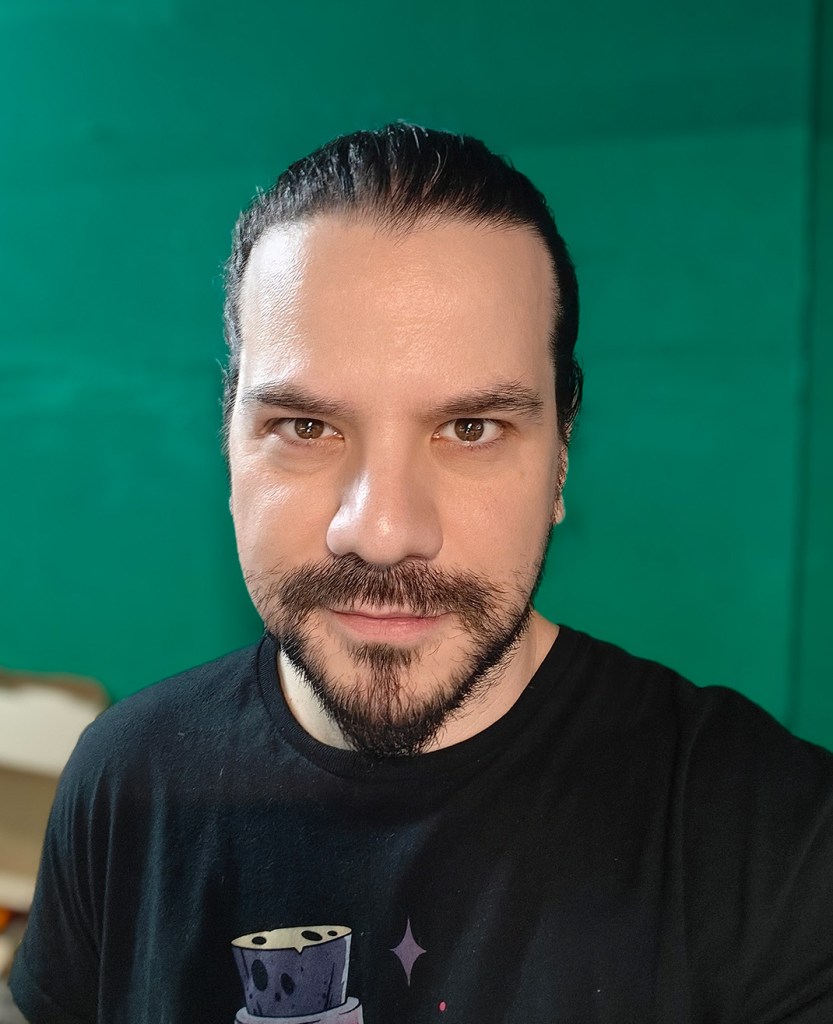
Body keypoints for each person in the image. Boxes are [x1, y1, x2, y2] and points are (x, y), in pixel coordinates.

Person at [9, 124, 833, 1023]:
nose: (382, 531)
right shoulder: (124, 779)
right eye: (307, 427)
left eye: (470, 428)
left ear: (561, 455)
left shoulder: (776, 839)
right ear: (229, 440)